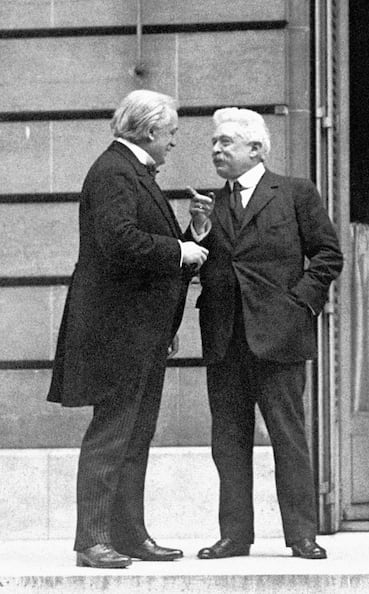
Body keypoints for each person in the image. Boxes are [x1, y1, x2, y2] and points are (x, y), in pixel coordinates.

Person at [47, 90, 209, 568]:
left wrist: (192, 233)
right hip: (119, 332)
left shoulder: (127, 171)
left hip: (138, 330)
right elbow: (119, 241)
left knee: (135, 435)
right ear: (151, 131)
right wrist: (182, 252)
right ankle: (91, 541)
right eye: (172, 134)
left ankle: (128, 535)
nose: (174, 143)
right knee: (114, 433)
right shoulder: (116, 171)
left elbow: (136, 242)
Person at [187, 107, 342, 561]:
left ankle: (301, 536)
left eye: (225, 143)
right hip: (225, 338)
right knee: (228, 442)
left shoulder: (294, 193)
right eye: (214, 143)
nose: (216, 149)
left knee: (288, 438)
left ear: (255, 149)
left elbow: (328, 255)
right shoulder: (209, 204)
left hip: (279, 339)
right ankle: (235, 536)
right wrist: (198, 231)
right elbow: (200, 261)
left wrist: (300, 305)